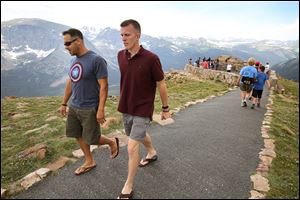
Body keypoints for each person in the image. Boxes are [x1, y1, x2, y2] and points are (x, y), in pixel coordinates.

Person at [117, 19, 171, 199]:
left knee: (132, 147)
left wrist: (165, 108)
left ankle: (128, 186)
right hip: (126, 106)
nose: (123, 38)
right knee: (137, 136)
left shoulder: (151, 58)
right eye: (122, 35)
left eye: (127, 34)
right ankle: (152, 152)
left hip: (143, 108)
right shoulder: (120, 55)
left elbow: (161, 84)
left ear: (137, 35)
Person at [60, 28, 119, 176]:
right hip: (74, 106)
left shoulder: (96, 60)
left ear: (78, 41)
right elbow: (70, 82)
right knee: (76, 134)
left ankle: (111, 142)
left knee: (92, 139)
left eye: (68, 43)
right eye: (64, 44)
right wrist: (64, 103)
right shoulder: (74, 60)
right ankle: (89, 160)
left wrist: (100, 109)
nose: (65, 47)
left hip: (89, 108)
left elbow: (104, 86)